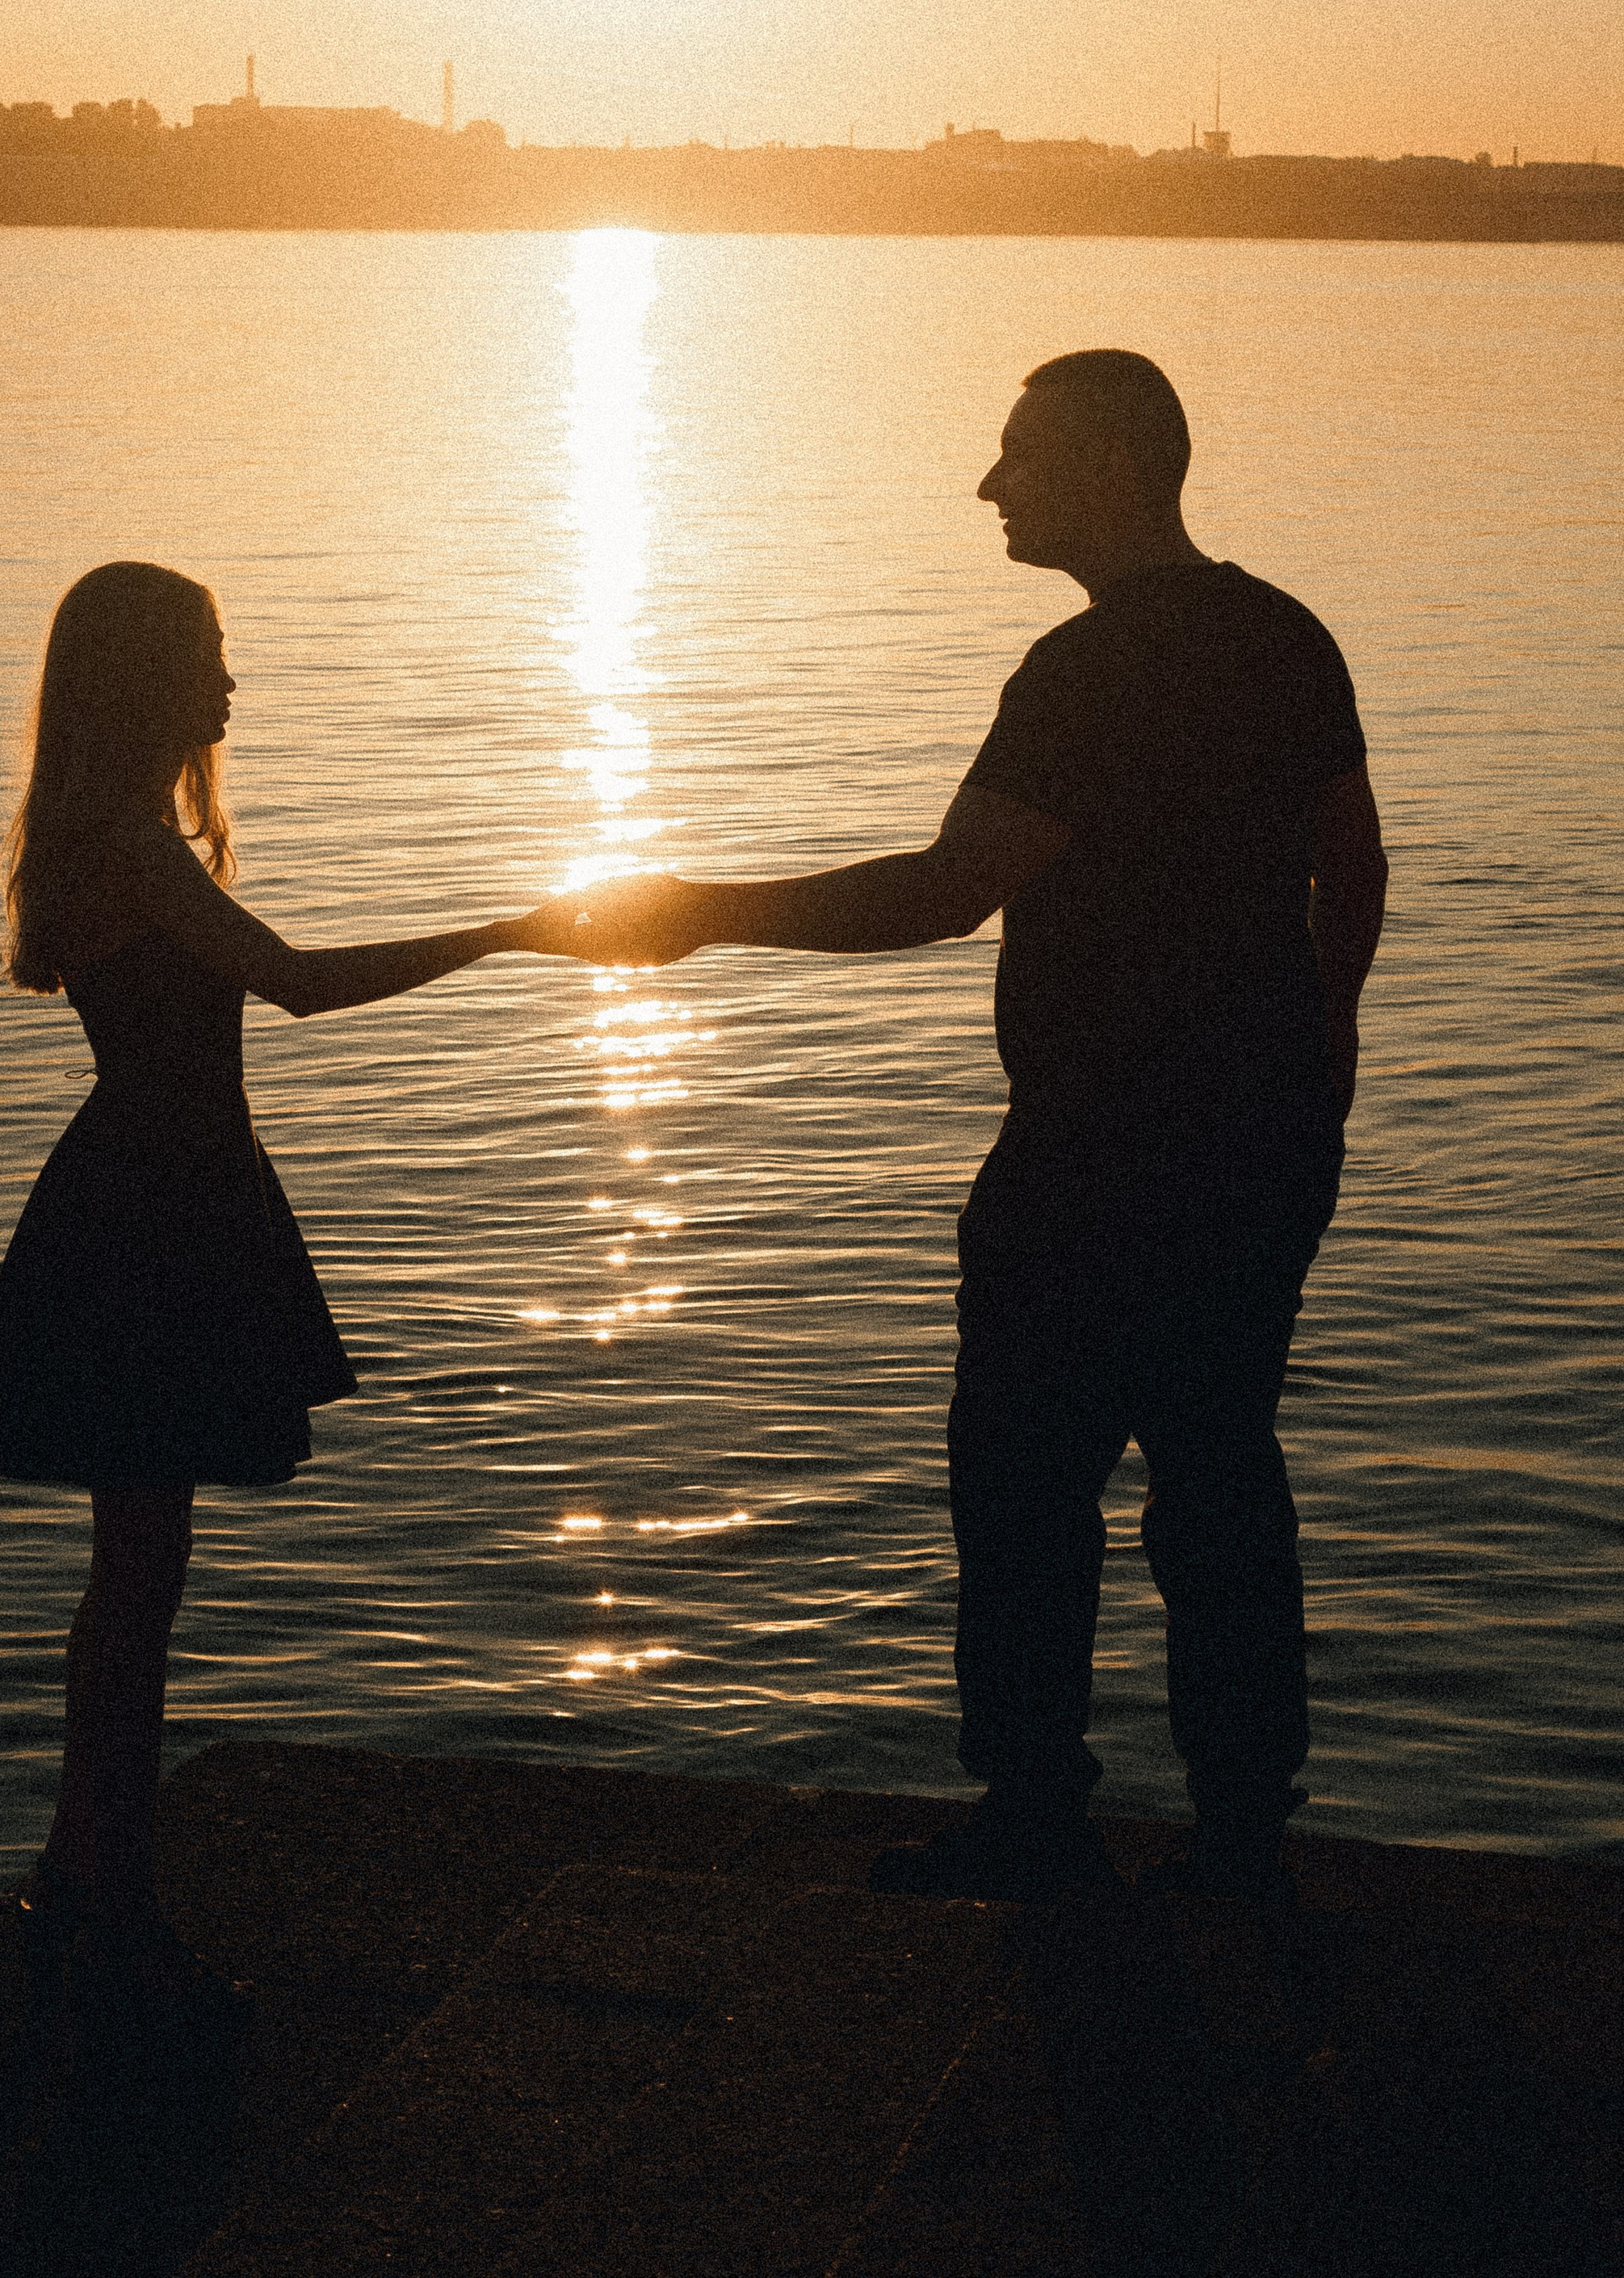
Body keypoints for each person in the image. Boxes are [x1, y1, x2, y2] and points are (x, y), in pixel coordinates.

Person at [576, 350, 1387, 1905]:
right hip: (1265, 1136)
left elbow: (948, 891)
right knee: (1220, 1469)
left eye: (1016, 454)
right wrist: (1324, 1045)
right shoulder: (1288, 636)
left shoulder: (1082, 676)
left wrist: (696, 914)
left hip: (1096, 1154)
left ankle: (1033, 1813)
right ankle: (1240, 1831)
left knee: (1023, 1482)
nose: (989, 484)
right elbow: (1351, 867)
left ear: (1101, 462)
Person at [0, 560, 579, 1999]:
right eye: (213, 656)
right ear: (148, 677)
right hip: (156, 1211)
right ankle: (109, 1888)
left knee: (133, 1573)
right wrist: (506, 931)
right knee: (139, 1578)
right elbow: (295, 985)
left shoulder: (99, 833)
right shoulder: (127, 844)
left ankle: (84, 1861)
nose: (233, 683)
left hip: (154, 1188)